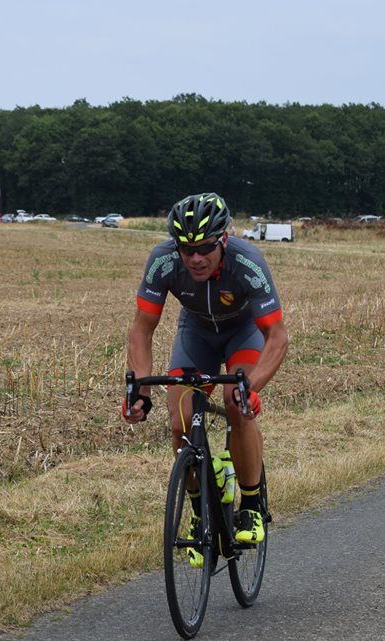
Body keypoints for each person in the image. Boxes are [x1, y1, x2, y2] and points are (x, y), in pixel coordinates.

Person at [122, 192, 289, 555]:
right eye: (186, 249)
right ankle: (200, 514)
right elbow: (141, 329)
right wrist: (139, 391)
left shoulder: (248, 263)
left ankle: (250, 505)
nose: (195, 258)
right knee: (180, 420)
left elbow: (276, 337)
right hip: (196, 333)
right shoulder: (162, 261)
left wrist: (252, 387)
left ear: (223, 239)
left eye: (205, 248)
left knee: (235, 402)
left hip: (241, 333)